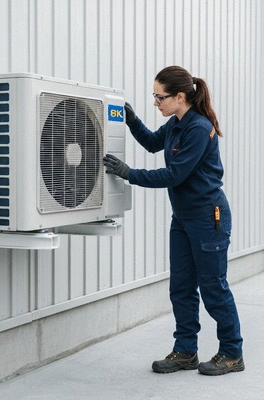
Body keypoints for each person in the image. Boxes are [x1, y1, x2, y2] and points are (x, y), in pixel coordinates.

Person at [103, 65, 244, 376]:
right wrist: (132, 120)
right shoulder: (176, 123)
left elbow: (174, 174)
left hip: (208, 217)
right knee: (181, 287)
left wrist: (128, 174)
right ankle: (185, 351)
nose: (157, 103)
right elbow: (153, 142)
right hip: (182, 218)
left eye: (160, 97)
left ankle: (232, 353)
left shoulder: (197, 128)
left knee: (213, 287)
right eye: (154, 96)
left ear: (180, 97)